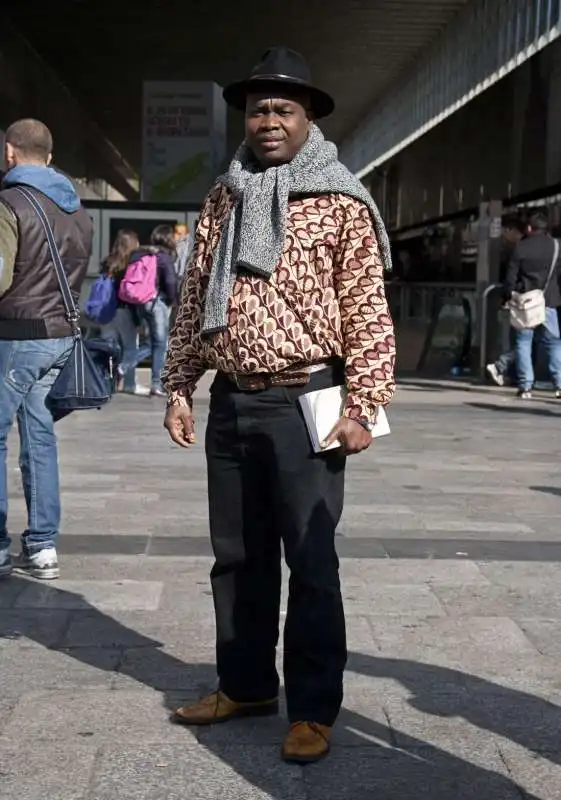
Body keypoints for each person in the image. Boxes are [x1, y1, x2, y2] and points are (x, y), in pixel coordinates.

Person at [162, 47, 395, 764]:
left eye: (282, 109)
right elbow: (197, 292)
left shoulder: (341, 201)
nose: (267, 120)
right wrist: (178, 384)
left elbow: (366, 311)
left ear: (309, 120)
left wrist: (364, 404)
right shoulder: (224, 195)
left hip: (309, 398)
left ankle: (315, 708)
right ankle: (245, 684)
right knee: (236, 558)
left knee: (312, 559)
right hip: (234, 402)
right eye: (257, 108)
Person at [0, 118, 93, 579]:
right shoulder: (77, 209)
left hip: (16, 335)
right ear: (50, 157)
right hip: (60, 337)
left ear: (10, 153)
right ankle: (42, 546)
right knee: (38, 436)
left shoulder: (10, 202)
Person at [504, 212, 561, 399]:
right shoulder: (556, 246)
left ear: (529, 228)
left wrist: (508, 296)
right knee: (553, 343)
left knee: (523, 343)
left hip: (525, 302)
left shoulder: (521, 248)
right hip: (549, 301)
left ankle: (525, 386)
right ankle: (559, 384)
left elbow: (510, 278)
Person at [129, 224, 178, 396]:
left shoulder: (140, 253)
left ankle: (122, 366)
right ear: (167, 238)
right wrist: (173, 300)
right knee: (160, 344)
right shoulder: (164, 257)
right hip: (157, 302)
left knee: (150, 343)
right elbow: (171, 282)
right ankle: (156, 383)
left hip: (141, 301)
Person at [98, 228, 148, 395]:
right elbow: (130, 295)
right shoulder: (130, 265)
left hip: (106, 311)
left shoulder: (107, 263)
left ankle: (104, 382)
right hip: (124, 311)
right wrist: (138, 320)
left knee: (109, 349)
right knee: (131, 348)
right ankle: (128, 382)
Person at [486, 215, 527, 386]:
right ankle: (506, 369)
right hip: (524, 300)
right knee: (525, 340)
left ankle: (504, 368)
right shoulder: (517, 249)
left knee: (523, 339)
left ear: (513, 230)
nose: (503, 235)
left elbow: (511, 278)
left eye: (505, 230)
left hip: (520, 300)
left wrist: (507, 296)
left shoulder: (518, 250)